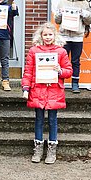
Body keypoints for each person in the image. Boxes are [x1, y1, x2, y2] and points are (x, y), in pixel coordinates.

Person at [21, 22, 72, 164]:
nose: (48, 37)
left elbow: (69, 71)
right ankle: (37, 149)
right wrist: (25, 88)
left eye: (50, 34)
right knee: (38, 120)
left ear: (54, 35)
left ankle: (51, 150)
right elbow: (28, 71)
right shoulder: (34, 51)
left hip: (54, 90)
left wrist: (60, 70)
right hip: (38, 89)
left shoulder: (61, 52)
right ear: (41, 36)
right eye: (45, 35)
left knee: (52, 120)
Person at [54, 0, 91, 93]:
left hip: (77, 37)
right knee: (61, 61)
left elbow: (89, 20)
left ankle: (75, 83)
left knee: (75, 61)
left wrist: (84, 13)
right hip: (64, 36)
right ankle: (59, 83)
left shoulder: (84, 3)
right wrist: (60, 13)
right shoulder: (62, 2)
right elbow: (57, 20)